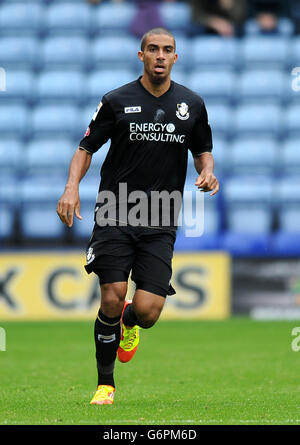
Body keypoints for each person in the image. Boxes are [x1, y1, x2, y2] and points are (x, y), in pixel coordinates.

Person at [56, 27, 219, 405]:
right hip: (115, 210)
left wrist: (208, 170)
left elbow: (203, 150)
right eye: (153, 49)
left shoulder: (192, 104)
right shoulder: (117, 100)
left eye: (168, 50)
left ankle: (131, 322)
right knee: (110, 297)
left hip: (160, 216)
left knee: (147, 312)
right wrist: (70, 187)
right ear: (141, 55)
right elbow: (85, 147)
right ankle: (105, 384)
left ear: (175, 57)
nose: (160, 55)